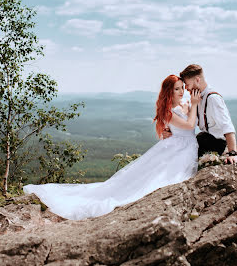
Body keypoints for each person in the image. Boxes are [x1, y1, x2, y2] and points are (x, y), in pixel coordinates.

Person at [23, 75, 201, 220]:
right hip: (180, 148)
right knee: (151, 181)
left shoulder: (180, 105)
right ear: (169, 91)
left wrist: (188, 104)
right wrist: (193, 105)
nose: (181, 91)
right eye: (176, 89)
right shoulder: (169, 112)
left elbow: (183, 117)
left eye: (181, 88)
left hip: (178, 146)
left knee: (155, 176)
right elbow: (189, 124)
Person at [163, 64, 237, 164]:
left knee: (179, 158)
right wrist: (171, 130)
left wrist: (233, 154)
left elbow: (227, 126)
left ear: (197, 80)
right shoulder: (197, 97)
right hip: (203, 138)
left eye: (187, 84)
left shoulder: (213, 98)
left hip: (214, 143)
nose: (186, 88)